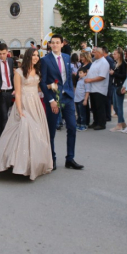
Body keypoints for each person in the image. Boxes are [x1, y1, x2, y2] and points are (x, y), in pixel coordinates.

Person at [0, 48, 53, 179]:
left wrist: (52, 86)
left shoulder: (38, 71)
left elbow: (38, 87)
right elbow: (18, 93)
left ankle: (32, 164)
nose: (36, 58)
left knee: (37, 133)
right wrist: (19, 110)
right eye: (33, 55)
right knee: (22, 131)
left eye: (37, 56)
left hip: (35, 104)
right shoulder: (18, 72)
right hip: (23, 103)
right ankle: (14, 163)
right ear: (28, 57)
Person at [40, 34, 83, 170]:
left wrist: (71, 92)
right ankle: (51, 159)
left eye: (57, 42)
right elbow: (43, 82)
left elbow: (68, 77)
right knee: (51, 130)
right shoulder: (45, 60)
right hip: (54, 99)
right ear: (50, 45)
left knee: (72, 127)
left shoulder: (66, 57)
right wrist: (51, 100)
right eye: (52, 43)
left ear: (62, 44)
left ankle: (70, 159)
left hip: (68, 97)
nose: (55, 45)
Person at [84, 47, 110, 130]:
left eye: (95, 52)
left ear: (100, 53)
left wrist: (90, 79)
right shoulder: (95, 61)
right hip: (93, 88)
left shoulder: (104, 62)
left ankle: (101, 123)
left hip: (99, 88)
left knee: (100, 106)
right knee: (94, 107)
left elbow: (102, 76)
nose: (93, 53)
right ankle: (95, 122)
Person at [110, 47, 127, 132]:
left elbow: (124, 75)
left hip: (119, 86)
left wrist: (114, 73)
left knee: (118, 106)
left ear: (119, 55)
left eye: (115, 54)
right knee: (115, 106)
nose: (113, 55)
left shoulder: (123, 64)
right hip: (115, 85)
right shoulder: (116, 63)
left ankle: (119, 124)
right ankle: (122, 122)